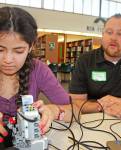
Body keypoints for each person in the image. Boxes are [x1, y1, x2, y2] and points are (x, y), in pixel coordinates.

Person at [0, 6, 78, 148]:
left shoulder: (38, 70)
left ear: (31, 47)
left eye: (18, 51)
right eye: (0, 49)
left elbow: (76, 112)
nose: (8, 59)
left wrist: (54, 111)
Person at [69, 14, 121, 120]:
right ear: (102, 35)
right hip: (96, 120)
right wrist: (102, 107)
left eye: (120, 33)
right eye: (109, 32)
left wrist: (120, 102)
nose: (113, 38)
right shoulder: (85, 60)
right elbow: (75, 102)